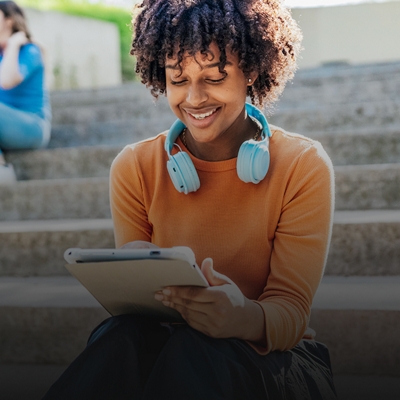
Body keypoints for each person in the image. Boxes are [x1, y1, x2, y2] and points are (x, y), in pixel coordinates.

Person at [44, 0, 337, 398]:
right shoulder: (135, 166)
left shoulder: (302, 164)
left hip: (275, 359)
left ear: (251, 70)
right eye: (177, 80)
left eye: (214, 77)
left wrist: (240, 317)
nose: (194, 99)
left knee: (197, 350)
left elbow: (290, 311)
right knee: (120, 336)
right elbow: (137, 308)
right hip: (171, 353)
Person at [0, 1, 51, 183]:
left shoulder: (30, 51)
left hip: (32, 127)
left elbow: (6, 81)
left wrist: (13, 45)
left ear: (9, 21)